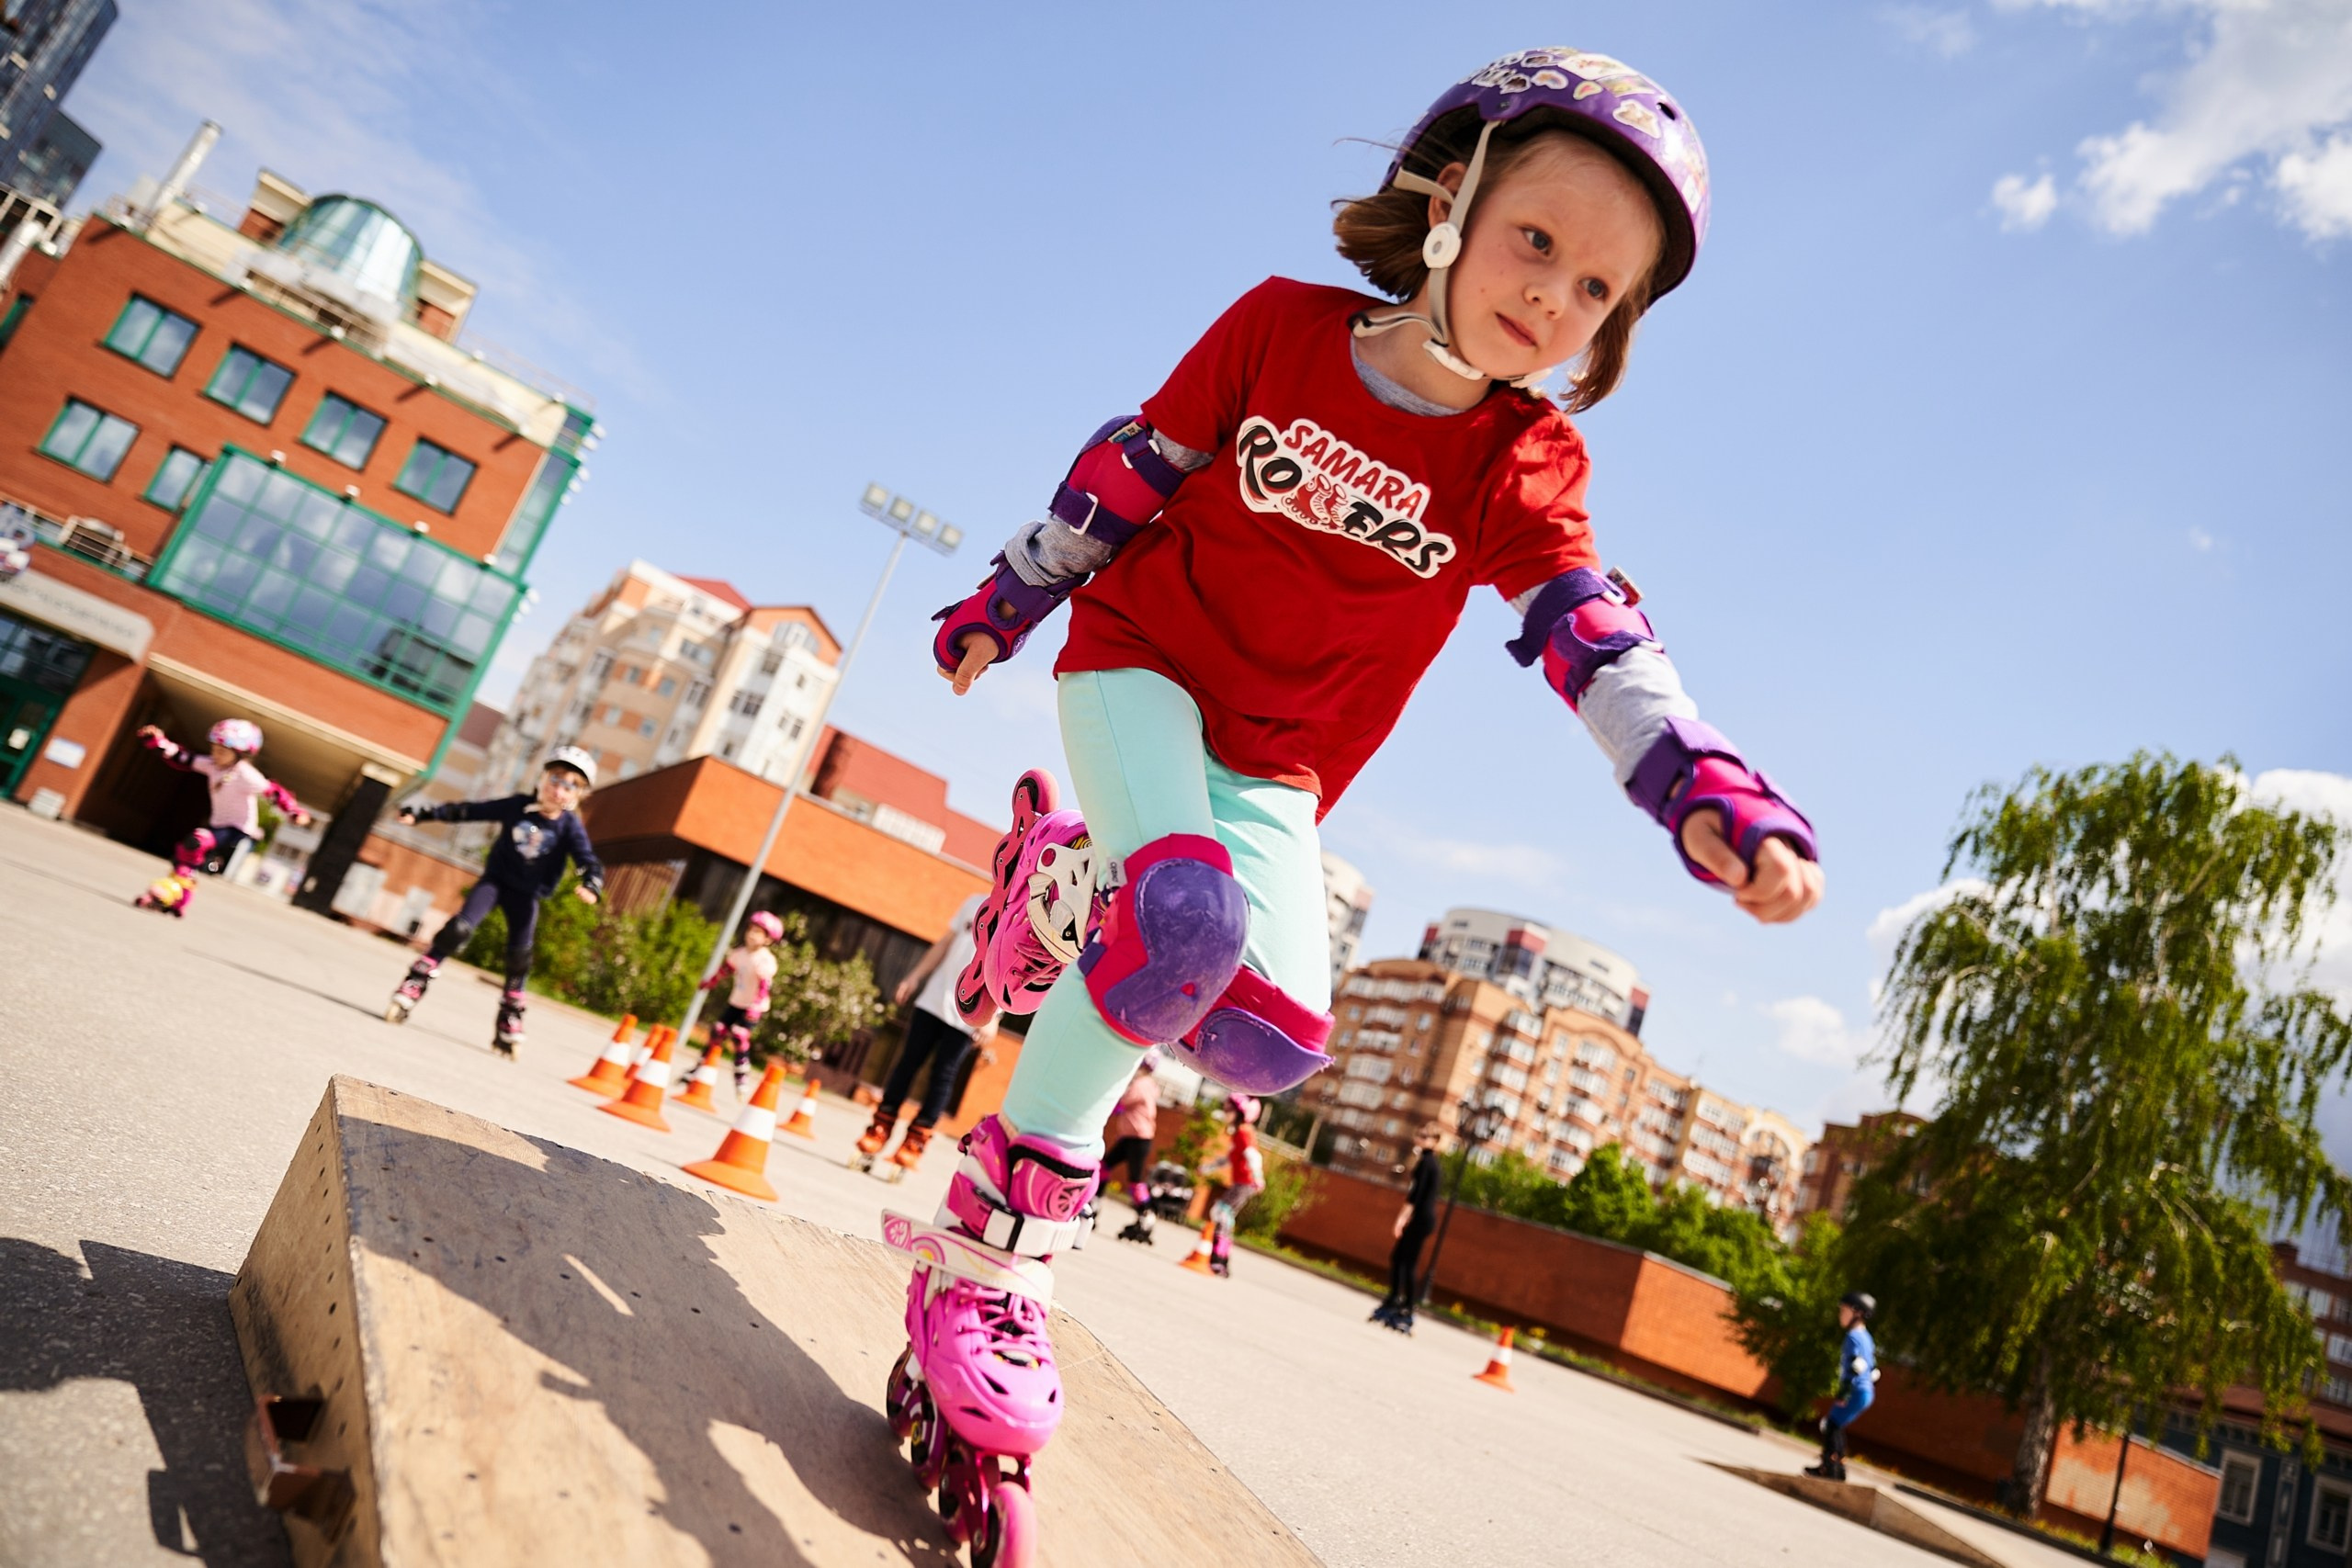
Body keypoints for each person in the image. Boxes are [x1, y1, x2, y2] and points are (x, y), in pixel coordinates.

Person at [880, 49, 1826, 1542]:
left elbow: (1592, 634)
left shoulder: (1526, 458)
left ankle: (1057, 887)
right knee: (1181, 920)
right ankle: (990, 1268)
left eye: (1597, 291)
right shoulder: (1279, 330)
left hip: (1275, 762)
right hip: (1142, 669)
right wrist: (1011, 594)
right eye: (1537, 242)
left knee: (1266, 1037)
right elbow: (1130, 471)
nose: (1553, 300)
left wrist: (1695, 781)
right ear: (1449, 200)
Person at [383, 748, 604, 1056]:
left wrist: (591, 882)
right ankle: (416, 981)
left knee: (520, 956)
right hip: (495, 883)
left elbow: (586, 858)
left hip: (527, 895)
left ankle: (510, 1013)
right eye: (555, 779)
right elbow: (469, 810)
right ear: (542, 779)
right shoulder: (517, 806)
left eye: (570, 785)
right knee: (458, 929)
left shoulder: (570, 828)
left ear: (579, 795)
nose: (559, 789)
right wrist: (422, 813)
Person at [854, 889, 996, 1176]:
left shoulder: (1016, 914)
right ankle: (881, 1126)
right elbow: (945, 944)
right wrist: (915, 976)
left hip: (969, 1013)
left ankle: (915, 1142)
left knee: (943, 1076)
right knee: (908, 1063)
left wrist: (994, 1016)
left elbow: (1008, 972)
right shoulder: (974, 902)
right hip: (933, 999)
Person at [132, 720, 309, 916]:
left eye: (223, 752)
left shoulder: (245, 774)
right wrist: (156, 740)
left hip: (238, 828)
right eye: (215, 749)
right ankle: (179, 897)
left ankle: (174, 890)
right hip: (219, 824)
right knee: (186, 852)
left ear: (240, 754)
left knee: (197, 841)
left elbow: (273, 792)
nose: (216, 755)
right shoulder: (212, 765)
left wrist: (294, 811)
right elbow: (181, 757)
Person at [698, 910, 782, 1094]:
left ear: (768, 939)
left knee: (740, 1036)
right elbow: (725, 970)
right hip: (737, 1001)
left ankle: (742, 1076)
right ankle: (700, 1066)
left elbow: (764, 986)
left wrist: (755, 1006)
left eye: (758, 932)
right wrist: (709, 983)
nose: (751, 935)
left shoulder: (765, 959)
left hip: (753, 1007)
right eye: (750, 930)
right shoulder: (740, 953)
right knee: (718, 1030)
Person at [1374, 1123, 1444, 1333]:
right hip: (1422, 1219)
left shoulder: (1427, 1163)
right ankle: (1397, 1299)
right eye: (1419, 1134)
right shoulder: (1428, 1162)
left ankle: (1404, 1304)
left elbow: (1415, 1195)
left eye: (1425, 1136)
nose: (1420, 1139)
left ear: (1435, 1141)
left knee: (1405, 1261)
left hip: (1421, 1219)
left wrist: (1401, 1220)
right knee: (1401, 1259)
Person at [1807, 1292, 1879, 1481]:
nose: (1841, 1314)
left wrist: (1844, 1393)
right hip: (1865, 1391)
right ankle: (1836, 1468)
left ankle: (1830, 1468)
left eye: (1844, 1310)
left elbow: (1857, 1365)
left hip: (1855, 1390)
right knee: (1835, 1426)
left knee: (1831, 1425)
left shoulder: (1854, 1337)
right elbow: (1873, 1368)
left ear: (1857, 1312)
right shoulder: (1866, 1337)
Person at [1201, 1093, 1266, 1278]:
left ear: (1239, 1113)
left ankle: (1219, 1259)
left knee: (1222, 1212)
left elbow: (1253, 1155)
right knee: (1223, 1214)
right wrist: (1209, 1167)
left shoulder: (1245, 1132)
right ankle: (1221, 1259)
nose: (1225, 1112)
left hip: (1246, 1182)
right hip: (1242, 1182)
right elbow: (1229, 1158)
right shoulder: (1238, 1133)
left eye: (1228, 1110)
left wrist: (1258, 1177)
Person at [1106, 1056, 1162, 1242]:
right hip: (1131, 1138)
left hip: (1138, 1138)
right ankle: (1094, 1202)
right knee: (1104, 1166)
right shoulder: (1149, 1084)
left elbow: (1123, 1099)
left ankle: (1147, 1216)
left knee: (1136, 1180)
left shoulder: (1142, 1083)